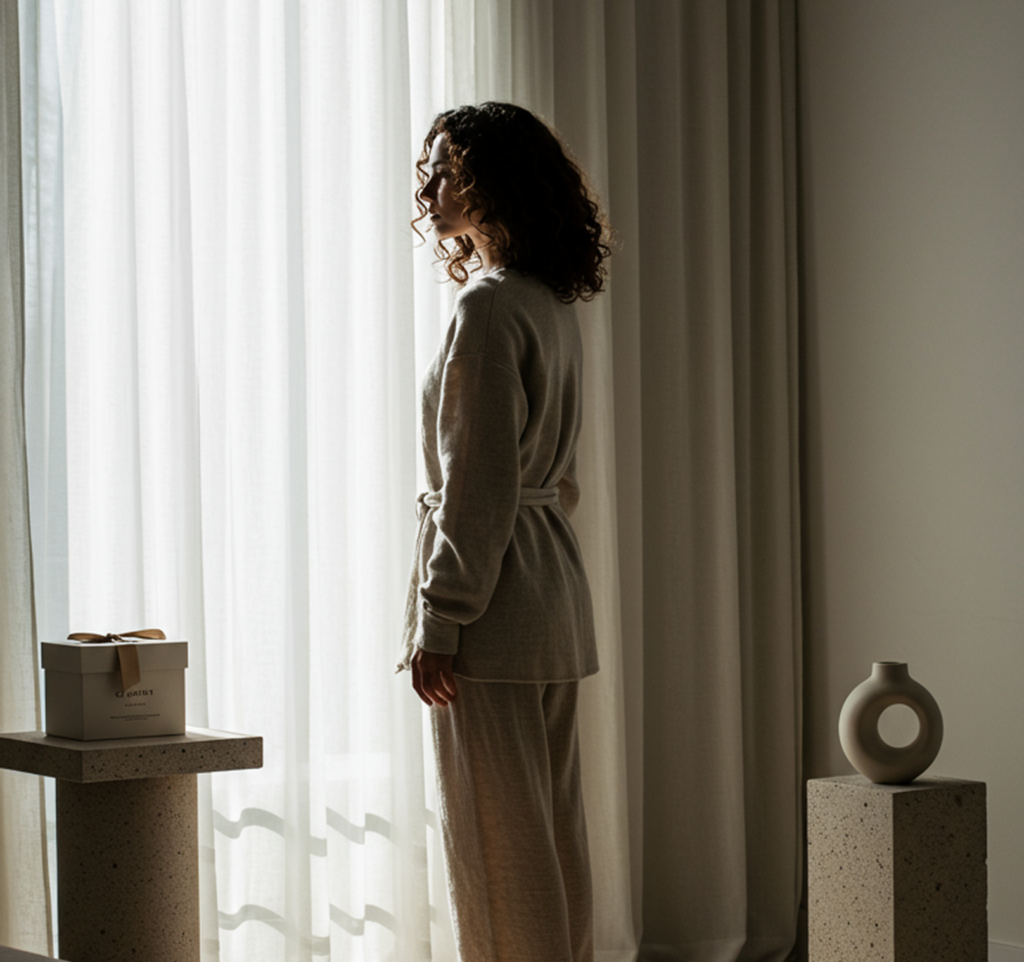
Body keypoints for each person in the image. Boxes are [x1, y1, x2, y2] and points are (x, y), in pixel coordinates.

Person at [397, 101, 611, 962]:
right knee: (551, 840)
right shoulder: (546, 301)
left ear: (495, 181)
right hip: (550, 592)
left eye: (448, 168)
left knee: (495, 853)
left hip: (491, 608)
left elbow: (476, 486)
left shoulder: (487, 309)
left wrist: (438, 620)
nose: (432, 185)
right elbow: (555, 480)